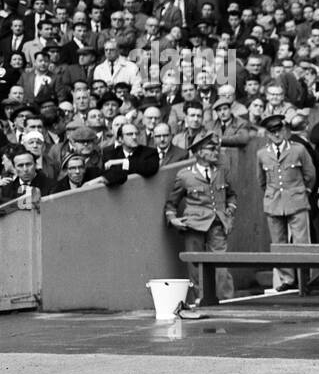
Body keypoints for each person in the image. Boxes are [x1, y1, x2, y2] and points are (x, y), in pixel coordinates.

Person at [165, 131, 237, 307]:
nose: (216, 152)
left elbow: (231, 195)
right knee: (196, 266)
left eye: (216, 148)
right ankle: (201, 299)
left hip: (218, 223)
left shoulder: (221, 171)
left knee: (221, 263)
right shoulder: (185, 175)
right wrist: (173, 219)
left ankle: (225, 300)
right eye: (211, 149)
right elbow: (171, 203)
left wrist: (230, 210)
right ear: (199, 152)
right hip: (194, 225)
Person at [258, 113, 315, 292]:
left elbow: (310, 174)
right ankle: (288, 279)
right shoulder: (262, 154)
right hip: (274, 202)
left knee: (301, 242)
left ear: (285, 130)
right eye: (272, 131)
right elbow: (261, 180)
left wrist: (305, 191)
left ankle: (305, 279)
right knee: (278, 243)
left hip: (297, 199)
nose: (276, 134)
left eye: (279, 130)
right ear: (267, 134)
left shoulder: (298, 149)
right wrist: (270, 195)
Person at [100, 122, 160, 187]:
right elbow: (110, 176)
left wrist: (123, 162)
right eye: (129, 134)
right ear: (120, 139)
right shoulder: (110, 155)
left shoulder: (150, 152)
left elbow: (149, 168)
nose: (134, 137)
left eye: (137, 134)